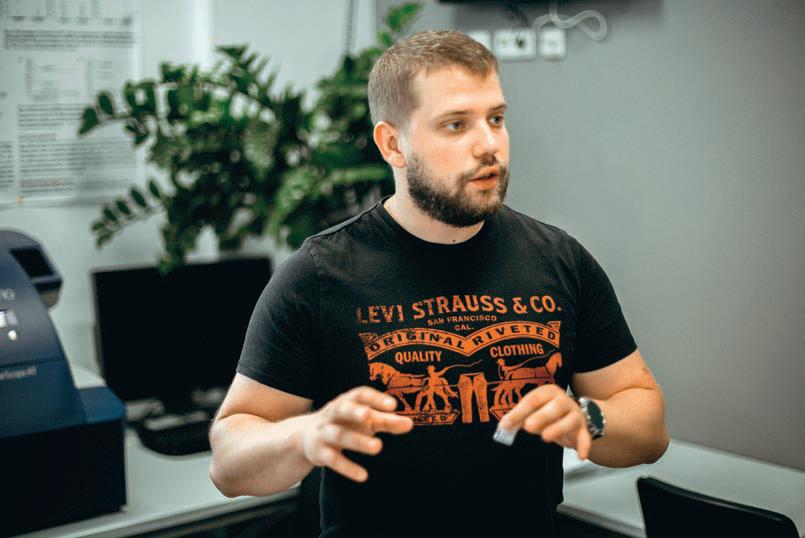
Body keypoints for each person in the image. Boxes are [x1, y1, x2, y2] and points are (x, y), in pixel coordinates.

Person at [209, 30, 670, 538]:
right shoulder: (318, 276)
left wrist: (587, 417)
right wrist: (304, 435)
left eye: (496, 119)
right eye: (456, 125)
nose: (489, 144)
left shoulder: (560, 260)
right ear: (393, 144)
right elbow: (229, 464)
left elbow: (649, 430)